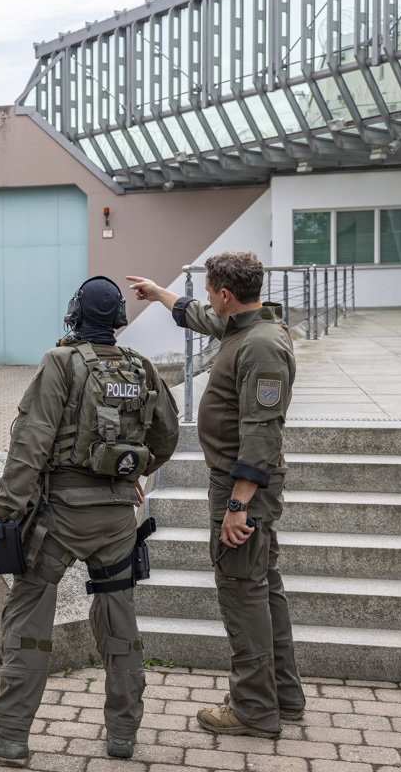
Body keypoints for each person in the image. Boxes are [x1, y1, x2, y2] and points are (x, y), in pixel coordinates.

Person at [0, 276, 179, 762]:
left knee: (28, 619)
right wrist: (132, 473)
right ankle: (123, 734)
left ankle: (9, 735)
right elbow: (166, 436)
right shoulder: (141, 367)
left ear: (74, 316)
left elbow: (32, 443)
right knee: (118, 617)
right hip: (119, 519)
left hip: (58, 519)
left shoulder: (61, 363)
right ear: (119, 321)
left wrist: (2, 507)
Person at [128, 251, 306, 738]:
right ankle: (283, 695)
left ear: (226, 294)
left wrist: (237, 505)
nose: (207, 299)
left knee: (242, 593)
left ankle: (253, 708)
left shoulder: (263, 346)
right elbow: (198, 314)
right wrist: (160, 293)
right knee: (263, 588)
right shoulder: (244, 325)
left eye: (210, 290)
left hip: (242, 487)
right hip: (240, 486)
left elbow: (263, 435)